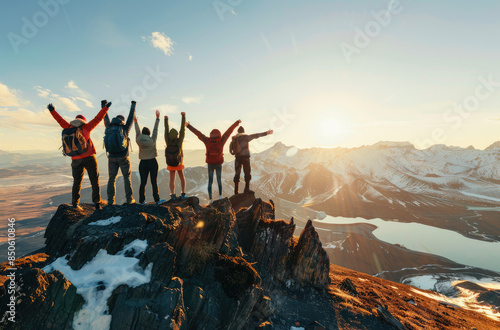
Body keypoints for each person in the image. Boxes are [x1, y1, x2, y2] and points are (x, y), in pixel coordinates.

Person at [48, 101, 111, 210]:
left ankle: (75, 203)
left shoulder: (67, 127)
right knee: (94, 180)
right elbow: (98, 118)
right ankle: (97, 203)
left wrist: (52, 110)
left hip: (75, 159)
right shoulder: (86, 127)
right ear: (83, 121)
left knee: (77, 182)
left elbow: (59, 119)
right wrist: (105, 108)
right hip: (89, 158)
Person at [186, 119, 241, 202]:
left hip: (210, 164)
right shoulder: (221, 140)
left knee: (210, 181)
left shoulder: (207, 140)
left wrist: (188, 126)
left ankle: (210, 198)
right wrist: (237, 123)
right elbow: (229, 131)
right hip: (218, 163)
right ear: (219, 135)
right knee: (219, 180)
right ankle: (220, 196)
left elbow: (198, 133)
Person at [103, 100, 136, 205]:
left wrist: (103, 105)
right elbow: (131, 117)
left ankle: (110, 201)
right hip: (123, 157)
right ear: (123, 121)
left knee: (112, 178)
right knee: (127, 178)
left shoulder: (109, 127)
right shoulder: (125, 128)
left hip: (111, 157)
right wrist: (133, 105)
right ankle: (129, 199)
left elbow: (105, 117)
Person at [134, 110, 165, 205]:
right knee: (153, 182)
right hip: (152, 162)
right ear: (149, 133)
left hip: (143, 163)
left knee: (143, 182)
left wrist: (135, 122)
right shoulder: (152, 140)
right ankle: (157, 200)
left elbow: (137, 131)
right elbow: (155, 129)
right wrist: (157, 118)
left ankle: (142, 201)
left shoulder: (138, 140)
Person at [230, 126, 273, 194]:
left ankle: (236, 191)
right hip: (245, 158)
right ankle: (246, 189)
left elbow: (231, 150)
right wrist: (266, 133)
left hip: (237, 158)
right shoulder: (245, 137)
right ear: (243, 132)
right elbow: (256, 135)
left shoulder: (235, 139)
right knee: (247, 173)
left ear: (238, 132)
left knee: (237, 174)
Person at [164, 112, 187, 201]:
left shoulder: (167, 140)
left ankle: (172, 194)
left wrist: (166, 120)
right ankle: (183, 193)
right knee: (181, 177)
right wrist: (183, 116)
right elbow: (182, 129)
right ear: (177, 134)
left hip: (170, 161)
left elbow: (166, 130)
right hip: (179, 161)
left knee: (172, 179)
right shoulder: (179, 141)